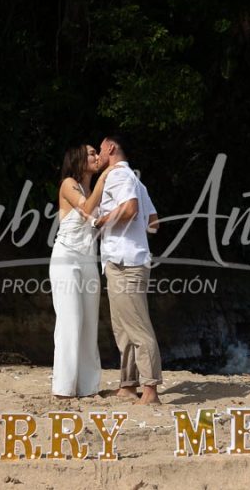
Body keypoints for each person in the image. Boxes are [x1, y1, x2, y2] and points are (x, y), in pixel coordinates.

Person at [94, 134, 162, 405]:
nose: (98, 156)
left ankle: (151, 389)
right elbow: (154, 221)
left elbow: (131, 209)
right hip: (127, 258)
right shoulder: (135, 179)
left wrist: (103, 221)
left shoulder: (118, 175)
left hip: (126, 262)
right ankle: (128, 385)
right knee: (122, 326)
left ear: (110, 147)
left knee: (136, 327)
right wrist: (136, 235)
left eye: (100, 150)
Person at [49, 144, 112, 398]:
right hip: (66, 258)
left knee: (88, 323)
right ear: (77, 158)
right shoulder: (68, 184)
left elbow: (100, 219)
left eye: (97, 153)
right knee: (70, 320)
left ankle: (88, 387)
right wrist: (105, 176)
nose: (97, 157)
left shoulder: (96, 188)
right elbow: (86, 209)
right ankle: (63, 389)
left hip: (88, 259)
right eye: (91, 153)